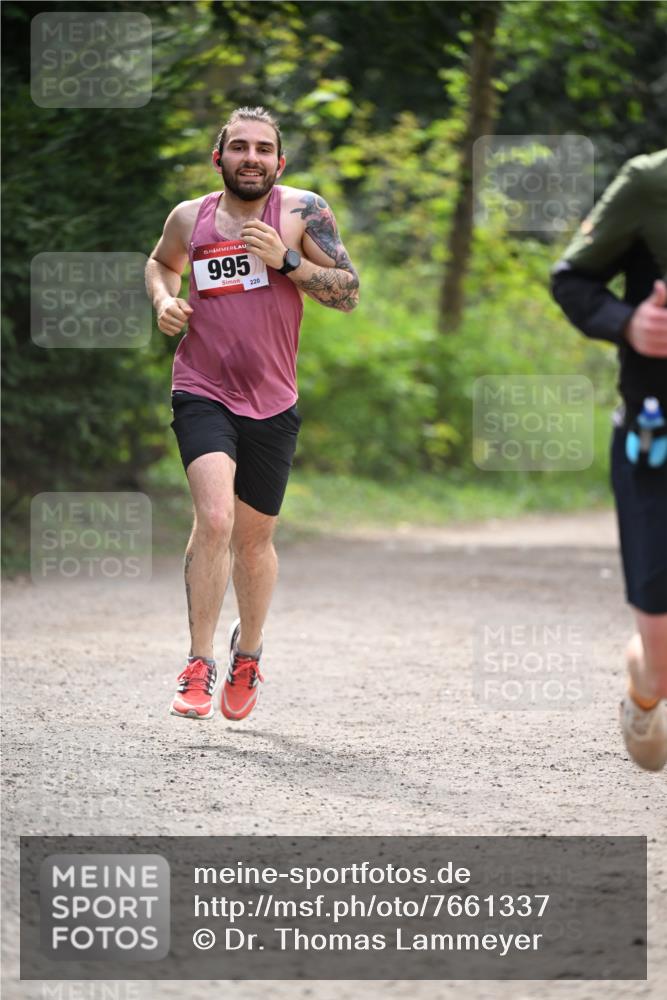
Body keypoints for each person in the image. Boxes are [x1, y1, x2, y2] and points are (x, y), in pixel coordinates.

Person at [145, 106, 359, 723]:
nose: (251, 157)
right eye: (239, 147)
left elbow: (348, 292)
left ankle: (248, 654)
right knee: (213, 518)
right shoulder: (191, 217)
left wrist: (287, 262)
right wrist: (165, 299)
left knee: (253, 540)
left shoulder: (301, 213)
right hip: (202, 386)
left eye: (264, 149)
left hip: (273, 399)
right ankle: (197, 661)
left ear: (279, 162)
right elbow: (162, 263)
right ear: (220, 157)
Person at [551, 148, 667, 771]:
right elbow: (571, 279)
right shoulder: (652, 182)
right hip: (658, 434)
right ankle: (646, 685)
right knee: (661, 657)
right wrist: (628, 323)